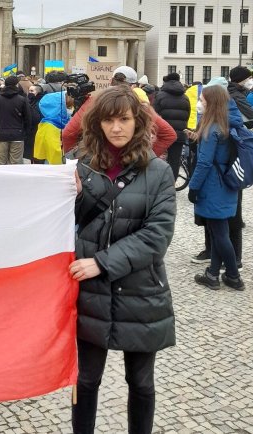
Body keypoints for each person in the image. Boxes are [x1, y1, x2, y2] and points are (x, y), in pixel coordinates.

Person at [70, 86, 176, 433]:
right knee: (86, 381)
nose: (117, 128)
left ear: (138, 121)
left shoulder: (158, 172)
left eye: (125, 120)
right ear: (97, 123)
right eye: (109, 120)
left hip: (141, 291)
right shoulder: (79, 167)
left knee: (141, 383)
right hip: (89, 293)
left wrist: (101, 262)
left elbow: (156, 236)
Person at [189, 85, 245, 291]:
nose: (200, 103)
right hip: (228, 183)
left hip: (213, 185)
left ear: (211, 102)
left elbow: (204, 162)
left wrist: (193, 187)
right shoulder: (230, 123)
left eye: (202, 100)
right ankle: (212, 274)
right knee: (217, 231)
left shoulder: (212, 127)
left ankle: (233, 276)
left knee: (220, 234)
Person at [154, 72, 191, 181]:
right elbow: (187, 115)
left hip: (162, 134)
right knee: (175, 161)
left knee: (156, 158)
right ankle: (171, 184)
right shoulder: (185, 97)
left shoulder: (160, 95)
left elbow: (154, 114)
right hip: (179, 134)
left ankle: (157, 183)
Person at [0, 75, 31, 165]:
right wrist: (26, 131)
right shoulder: (22, 99)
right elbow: (28, 117)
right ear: (16, 85)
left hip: (2, 132)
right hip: (17, 133)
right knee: (16, 162)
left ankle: (0, 178)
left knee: (0, 161)